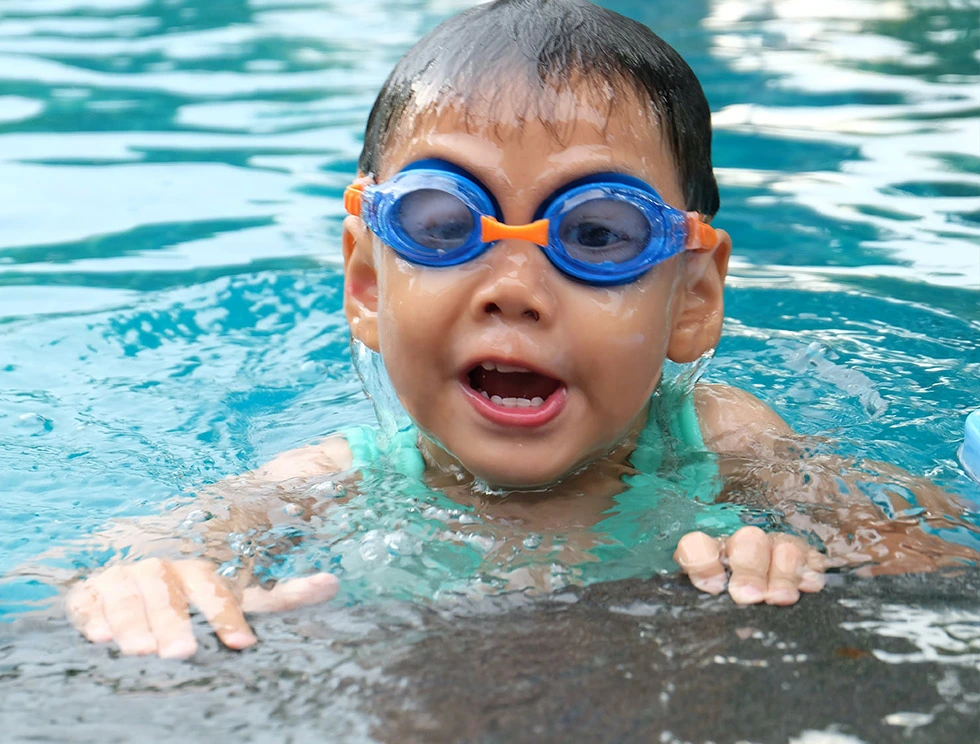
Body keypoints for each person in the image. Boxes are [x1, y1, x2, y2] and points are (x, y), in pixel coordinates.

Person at [64, 0, 975, 660]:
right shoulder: (334, 481)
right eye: (440, 223)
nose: (514, 290)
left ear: (692, 300)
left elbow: (928, 564)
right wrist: (145, 580)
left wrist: (805, 568)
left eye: (596, 235)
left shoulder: (721, 443)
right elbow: (143, 549)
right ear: (368, 280)